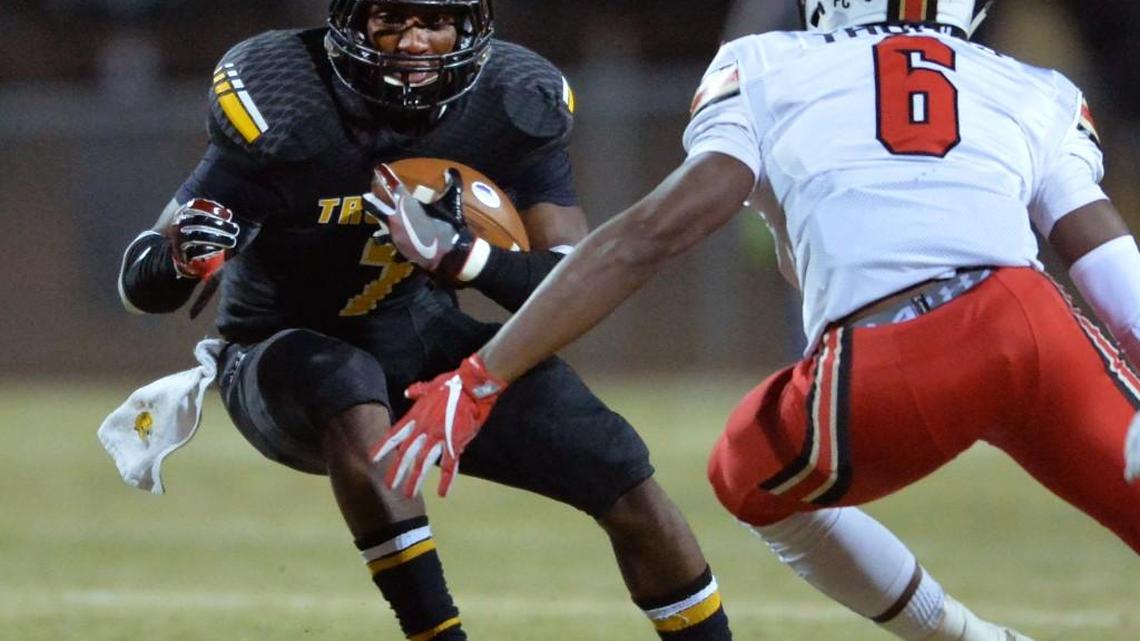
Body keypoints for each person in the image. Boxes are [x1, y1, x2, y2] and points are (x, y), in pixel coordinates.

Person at [376, 1, 1140, 640]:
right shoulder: (1032, 86)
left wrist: (482, 375)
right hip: (1034, 322)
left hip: (899, 354)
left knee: (745, 471)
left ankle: (967, 638)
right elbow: (1107, 265)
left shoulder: (769, 64)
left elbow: (651, 235)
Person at [115, 1, 736, 640]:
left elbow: (572, 284)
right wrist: (184, 259)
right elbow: (140, 285)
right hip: (276, 355)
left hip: (416, 333)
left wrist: (465, 255)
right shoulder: (287, 98)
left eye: (434, 21)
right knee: (343, 380)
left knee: (614, 462)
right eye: (391, 18)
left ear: (468, 29)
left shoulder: (512, 102)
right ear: (351, 25)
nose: (414, 41)